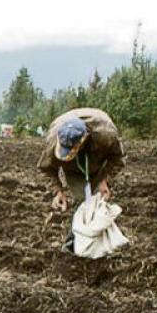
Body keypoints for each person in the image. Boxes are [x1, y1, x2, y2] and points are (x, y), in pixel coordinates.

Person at [38, 108, 125, 251]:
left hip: (97, 164)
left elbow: (117, 158)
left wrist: (105, 180)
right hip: (73, 171)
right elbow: (46, 168)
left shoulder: (105, 135)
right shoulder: (54, 140)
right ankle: (74, 246)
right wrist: (58, 191)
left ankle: (100, 247)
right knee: (83, 203)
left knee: (97, 204)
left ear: (83, 140)